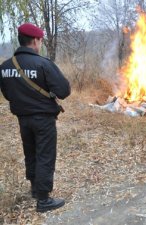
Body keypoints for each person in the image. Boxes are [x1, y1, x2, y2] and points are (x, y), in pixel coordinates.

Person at [0, 23, 71, 212]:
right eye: (40, 40)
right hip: (43, 120)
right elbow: (63, 91)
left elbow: (7, 94)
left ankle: (34, 188)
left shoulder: (5, 67)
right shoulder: (43, 64)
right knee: (45, 155)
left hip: (23, 119)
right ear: (36, 41)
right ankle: (43, 199)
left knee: (30, 153)